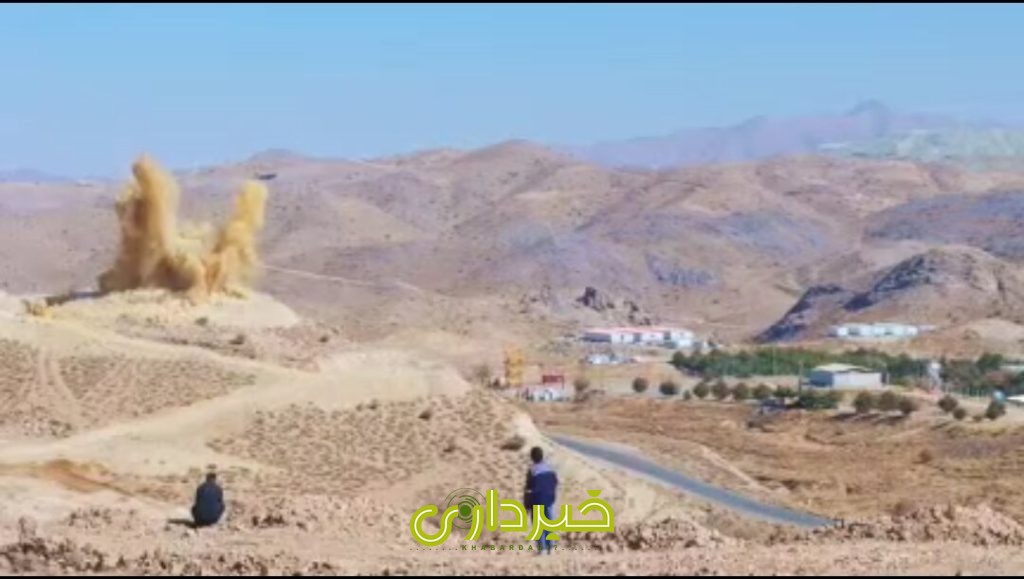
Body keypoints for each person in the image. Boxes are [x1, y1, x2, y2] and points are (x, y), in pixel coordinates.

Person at [523, 446, 558, 555]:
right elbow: (555, 482)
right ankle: (551, 547)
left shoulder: (532, 470)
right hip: (549, 499)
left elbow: (528, 488)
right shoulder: (550, 468)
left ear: (532, 457)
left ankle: (542, 549)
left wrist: (526, 505)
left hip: (537, 499)